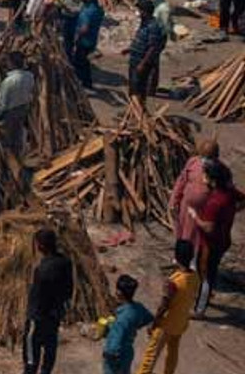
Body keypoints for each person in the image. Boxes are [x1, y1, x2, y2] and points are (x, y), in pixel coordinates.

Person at [135, 241, 200, 374]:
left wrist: (154, 324)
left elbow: (163, 306)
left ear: (176, 256)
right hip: (181, 322)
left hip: (166, 324)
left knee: (150, 357)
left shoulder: (174, 283)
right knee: (173, 352)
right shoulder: (195, 277)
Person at [188, 159, 242, 316]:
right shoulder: (229, 192)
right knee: (208, 272)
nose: (203, 177)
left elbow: (208, 228)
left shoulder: (215, 202)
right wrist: (231, 212)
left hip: (210, 245)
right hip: (224, 240)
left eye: (205, 175)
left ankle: (200, 309)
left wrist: (195, 217)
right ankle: (204, 297)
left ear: (213, 180)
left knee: (205, 275)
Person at [24, 228, 74, 374]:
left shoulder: (42, 270)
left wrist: (34, 315)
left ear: (40, 246)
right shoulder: (65, 263)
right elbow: (68, 290)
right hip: (54, 317)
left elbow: (38, 297)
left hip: (38, 318)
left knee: (31, 359)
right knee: (49, 354)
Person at [103, 274, 154, 374]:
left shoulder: (122, 319)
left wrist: (107, 354)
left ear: (119, 293)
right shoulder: (138, 308)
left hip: (116, 358)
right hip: (128, 352)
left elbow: (114, 346)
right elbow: (149, 319)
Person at [0, 51, 35, 158]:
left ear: (12, 63)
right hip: (24, 108)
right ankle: (20, 155)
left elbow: (3, 103)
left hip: (11, 112)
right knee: (20, 134)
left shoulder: (8, 81)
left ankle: (12, 160)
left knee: (10, 138)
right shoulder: (30, 76)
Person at [127, 0, 165, 109]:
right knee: (133, 88)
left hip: (141, 62)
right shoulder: (144, 23)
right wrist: (129, 49)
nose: (138, 13)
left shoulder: (153, 27)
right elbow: (141, 41)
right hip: (135, 60)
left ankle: (139, 111)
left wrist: (142, 64)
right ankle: (133, 111)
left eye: (140, 10)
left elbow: (152, 47)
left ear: (145, 12)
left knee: (138, 88)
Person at [73, 0, 104, 90]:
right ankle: (87, 83)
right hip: (92, 39)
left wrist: (77, 37)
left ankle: (82, 83)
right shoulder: (97, 9)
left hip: (84, 41)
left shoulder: (88, 11)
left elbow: (84, 28)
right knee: (85, 63)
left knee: (80, 62)